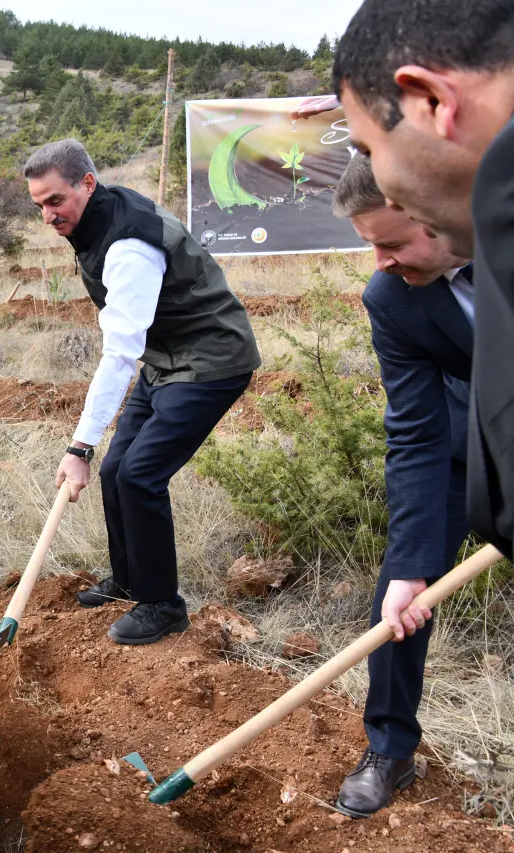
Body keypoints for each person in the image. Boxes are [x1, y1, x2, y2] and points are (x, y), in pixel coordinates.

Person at [23, 138, 260, 645]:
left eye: (55, 201)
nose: (47, 215)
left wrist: (79, 445)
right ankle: (130, 577)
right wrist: (91, 453)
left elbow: (119, 353)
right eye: (39, 204)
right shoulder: (100, 215)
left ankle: (162, 604)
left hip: (210, 358)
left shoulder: (129, 245)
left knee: (139, 475)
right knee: (116, 471)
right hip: (165, 357)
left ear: (87, 183)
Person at [333, 0, 514, 556]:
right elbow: (415, 433)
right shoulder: (393, 300)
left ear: (431, 101)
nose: (387, 193)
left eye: (368, 147)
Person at [330, 155, 474, 818]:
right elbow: (413, 433)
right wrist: (412, 567)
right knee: (399, 594)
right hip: (456, 443)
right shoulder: (391, 297)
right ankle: (391, 747)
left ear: (443, 215)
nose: (382, 261)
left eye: (392, 242)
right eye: (371, 246)